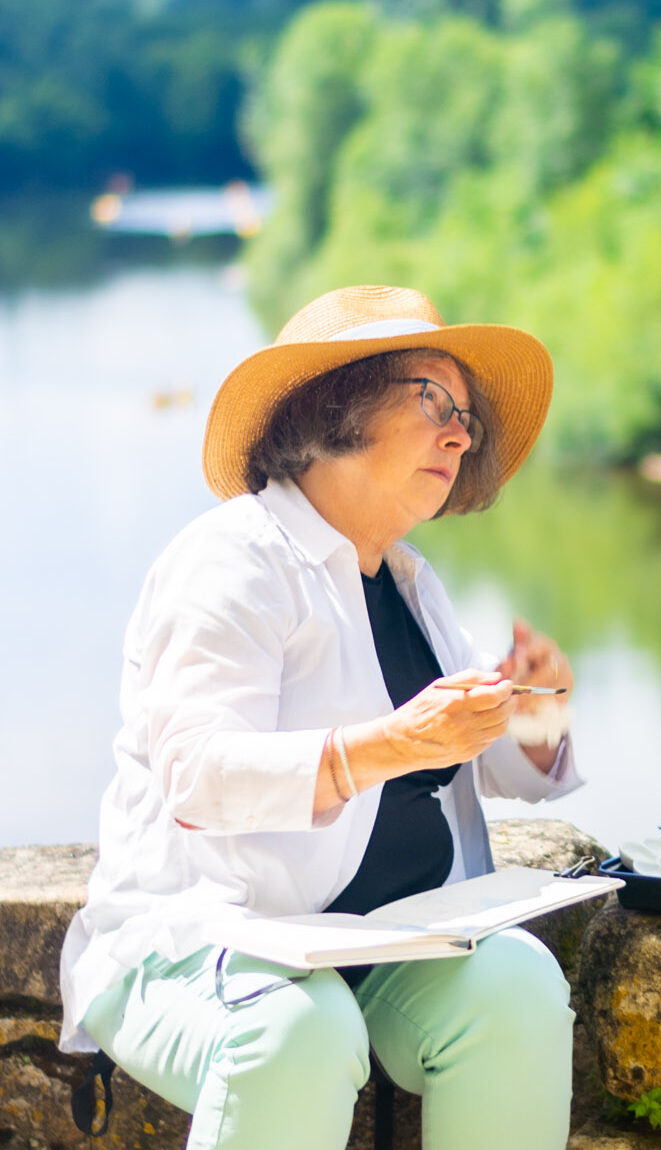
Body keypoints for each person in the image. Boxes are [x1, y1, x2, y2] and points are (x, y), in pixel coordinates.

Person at [59, 285, 583, 1150]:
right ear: (337, 407)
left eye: (467, 419)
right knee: (298, 1031)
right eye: (433, 402)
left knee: (518, 986)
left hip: (381, 947)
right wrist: (388, 745)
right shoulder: (230, 559)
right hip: (198, 944)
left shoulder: (409, 581)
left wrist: (535, 706)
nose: (460, 433)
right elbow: (199, 776)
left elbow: (485, 765)